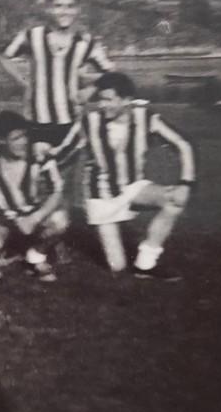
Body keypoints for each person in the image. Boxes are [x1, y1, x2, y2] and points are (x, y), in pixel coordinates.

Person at [60, 72, 195, 279]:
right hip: (101, 198)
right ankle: (121, 253)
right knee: (118, 268)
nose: (102, 105)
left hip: (134, 188)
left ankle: (145, 264)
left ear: (126, 100)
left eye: (108, 100)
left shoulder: (145, 117)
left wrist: (186, 183)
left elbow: (184, 145)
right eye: (100, 99)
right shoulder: (90, 122)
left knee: (174, 200)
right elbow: (64, 152)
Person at [1, 0, 115, 150]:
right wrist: (23, 81)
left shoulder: (86, 42)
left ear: (77, 10)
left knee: (66, 170)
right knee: (38, 171)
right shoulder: (33, 35)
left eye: (70, 6)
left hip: (70, 119)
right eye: (58, 6)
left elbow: (112, 73)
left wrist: (91, 89)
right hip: (35, 119)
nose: (64, 11)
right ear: (49, 9)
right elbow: (4, 56)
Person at [0, 111, 68, 283]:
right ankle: (3, 253)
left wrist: (35, 218)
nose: (23, 142)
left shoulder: (39, 153)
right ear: (2, 140)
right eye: (15, 138)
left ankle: (36, 255)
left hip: (29, 213)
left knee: (60, 220)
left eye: (25, 136)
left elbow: (57, 190)